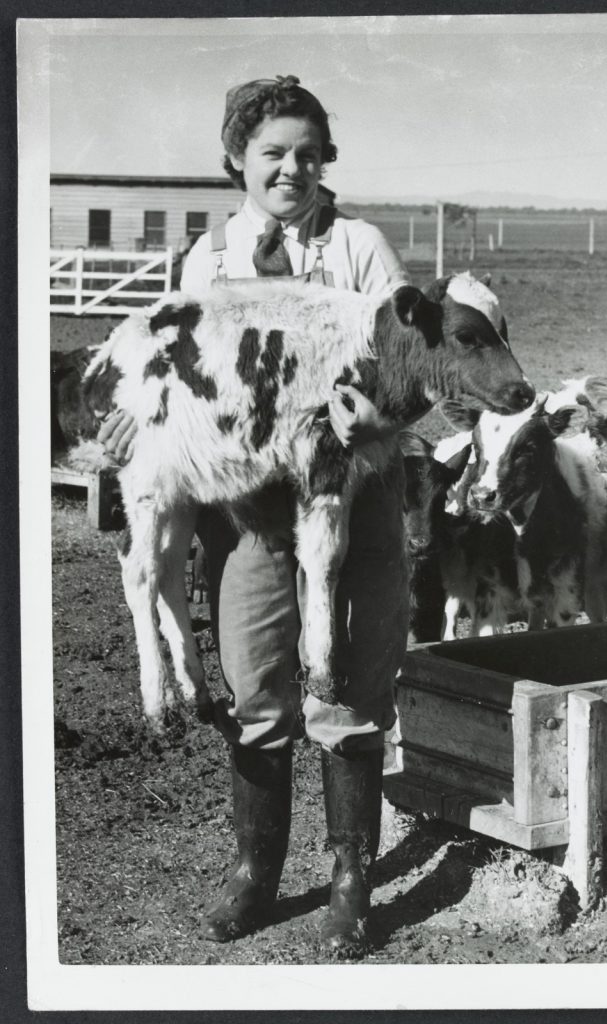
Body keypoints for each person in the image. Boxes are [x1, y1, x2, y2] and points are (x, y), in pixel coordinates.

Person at [98, 75, 411, 958]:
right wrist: (136, 416)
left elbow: (414, 365)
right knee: (258, 684)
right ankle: (256, 871)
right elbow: (169, 365)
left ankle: (351, 879)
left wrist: (382, 414)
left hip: (354, 500)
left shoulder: (359, 248)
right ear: (236, 159)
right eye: (273, 152)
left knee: (348, 683)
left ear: (327, 162)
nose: (292, 169)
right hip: (248, 512)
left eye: (308, 153)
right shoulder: (210, 259)